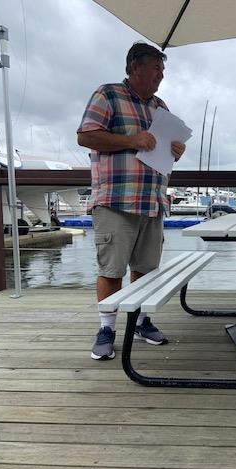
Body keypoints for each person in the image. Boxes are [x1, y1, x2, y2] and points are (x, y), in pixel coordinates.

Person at [77, 42, 186, 360]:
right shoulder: (108, 94)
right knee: (112, 269)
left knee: (146, 269)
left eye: (163, 70)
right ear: (134, 68)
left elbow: (161, 151)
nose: (161, 75)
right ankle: (107, 328)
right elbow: (86, 135)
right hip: (115, 200)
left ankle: (139, 320)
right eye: (156, 68)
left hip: (152, 201)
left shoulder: (160, 106)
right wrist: (131, 140)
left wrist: (175, 151)